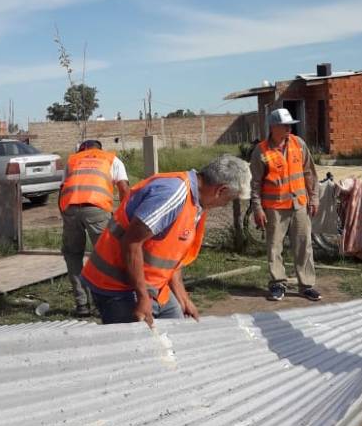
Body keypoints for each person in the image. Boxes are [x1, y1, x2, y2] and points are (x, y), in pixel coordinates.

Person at [81, 153, 250, 325]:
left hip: (154, 287)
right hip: (118, 288)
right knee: (139, 347)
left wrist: (183, 298)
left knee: (177, 333)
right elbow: (131, 242)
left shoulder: (196, 203)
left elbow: (170, 255)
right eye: (229, 199)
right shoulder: (173, 194)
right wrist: (142, 297)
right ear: (220, 190)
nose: (225, 205)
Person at [250, 108, 321, 302]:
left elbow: (309, 173)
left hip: (299, 204)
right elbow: (255, 183)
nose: (289, 128)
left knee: (303, 245)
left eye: (290, 124)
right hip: (274, 208)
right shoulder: (261, 151)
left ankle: (306, 285)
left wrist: (314, 198)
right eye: (285, 124)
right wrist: (257, 208)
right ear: (273, 127)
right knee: (274, 247)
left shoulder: (299, 144)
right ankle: (277, 284)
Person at [59, 139, 130, 318]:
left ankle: (82, 305)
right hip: (97, 209)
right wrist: (125, 216)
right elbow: (123, 188)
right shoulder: (111, 159)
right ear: (100, 149)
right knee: (104, 256)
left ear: (82, 149)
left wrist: (65, 215)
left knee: (73, 255)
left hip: (71, 209)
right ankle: (105, 303)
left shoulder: (73, 160)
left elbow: (62, 189)